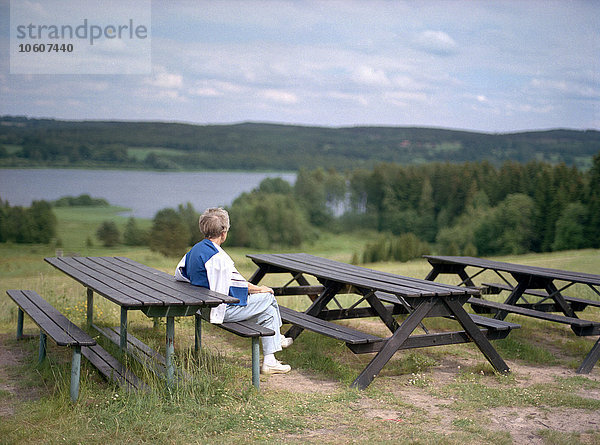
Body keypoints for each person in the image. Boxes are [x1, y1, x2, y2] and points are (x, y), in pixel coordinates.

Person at [175, 207, 292, 374]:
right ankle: (277, 339)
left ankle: (270, 361)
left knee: (268, 312)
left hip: (202, 307)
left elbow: (180, 274)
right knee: (269, 298)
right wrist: (262, 289)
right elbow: (239, 285)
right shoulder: (218, 258)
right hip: (218, 311)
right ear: (224, 233)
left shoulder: (194, 250)